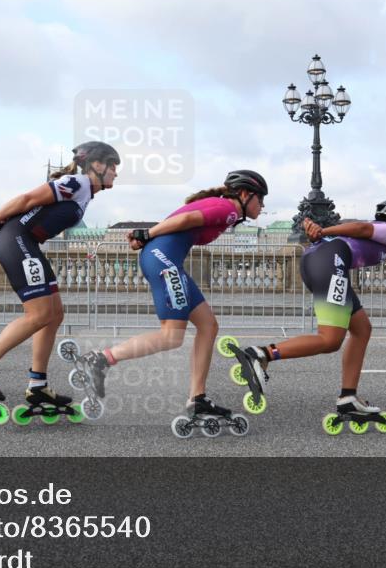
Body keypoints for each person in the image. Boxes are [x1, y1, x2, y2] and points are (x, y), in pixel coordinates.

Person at [79, 170, 268, 423]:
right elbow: (188, 218)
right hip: (164, 262)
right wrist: (148, 234)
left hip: (164, 259)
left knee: (208, 325)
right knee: (171, 336)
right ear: (245, 194)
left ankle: (197, 398)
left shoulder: (224, 208)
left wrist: (147, 235)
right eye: (260, 199)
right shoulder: (229, 208)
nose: (263, 205)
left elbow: (181, 221)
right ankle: (100, 359)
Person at [0, 141, 119, 421]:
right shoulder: (78, 183)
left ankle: (38, 385)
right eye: (113, 167)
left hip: (27, 243)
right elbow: (26, 200)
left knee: (54, 315)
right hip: (17, 240)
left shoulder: (85, 193)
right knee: (40, 314)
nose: (116, 174)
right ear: (97, 165)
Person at [232, 199, 386, 426]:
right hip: (331, 263)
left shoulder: (381, 235)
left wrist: (321, 234)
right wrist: (323, 230)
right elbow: (361, 228)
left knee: (362, 328)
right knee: (330, 340)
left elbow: (359, 233)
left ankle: (348, 397)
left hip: (321, 262)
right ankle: (260, 354)